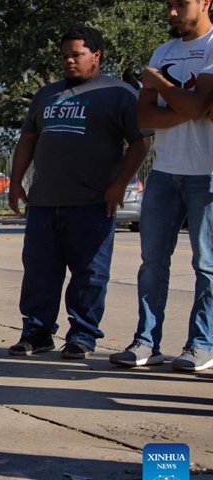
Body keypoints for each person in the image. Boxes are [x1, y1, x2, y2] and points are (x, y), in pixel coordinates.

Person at [6, 25, 151, 359]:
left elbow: (140, 143)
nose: (69, 62)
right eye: (65, 56)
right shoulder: (47, 95)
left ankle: (83, 335)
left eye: (77, 55)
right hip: (44, 202)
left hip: (93, 204)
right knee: (40, 271)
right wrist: (15, 183)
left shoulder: (119, 93)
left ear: (96, 56)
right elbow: (28, 140)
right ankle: (37, 332)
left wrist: (119, 185)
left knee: (89, 274)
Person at [110, 0, 213, 371]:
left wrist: (160, 84)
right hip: (166, 173)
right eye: (168, 5)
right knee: (152, 261)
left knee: (207, 264)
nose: (171, 12)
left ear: (205, 3)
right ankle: (146, 343)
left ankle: (200, 344)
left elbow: (199, 106)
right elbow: (145, 115)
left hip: (208, 172)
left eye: (180, 4)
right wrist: (187, 105)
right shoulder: (163, 51)